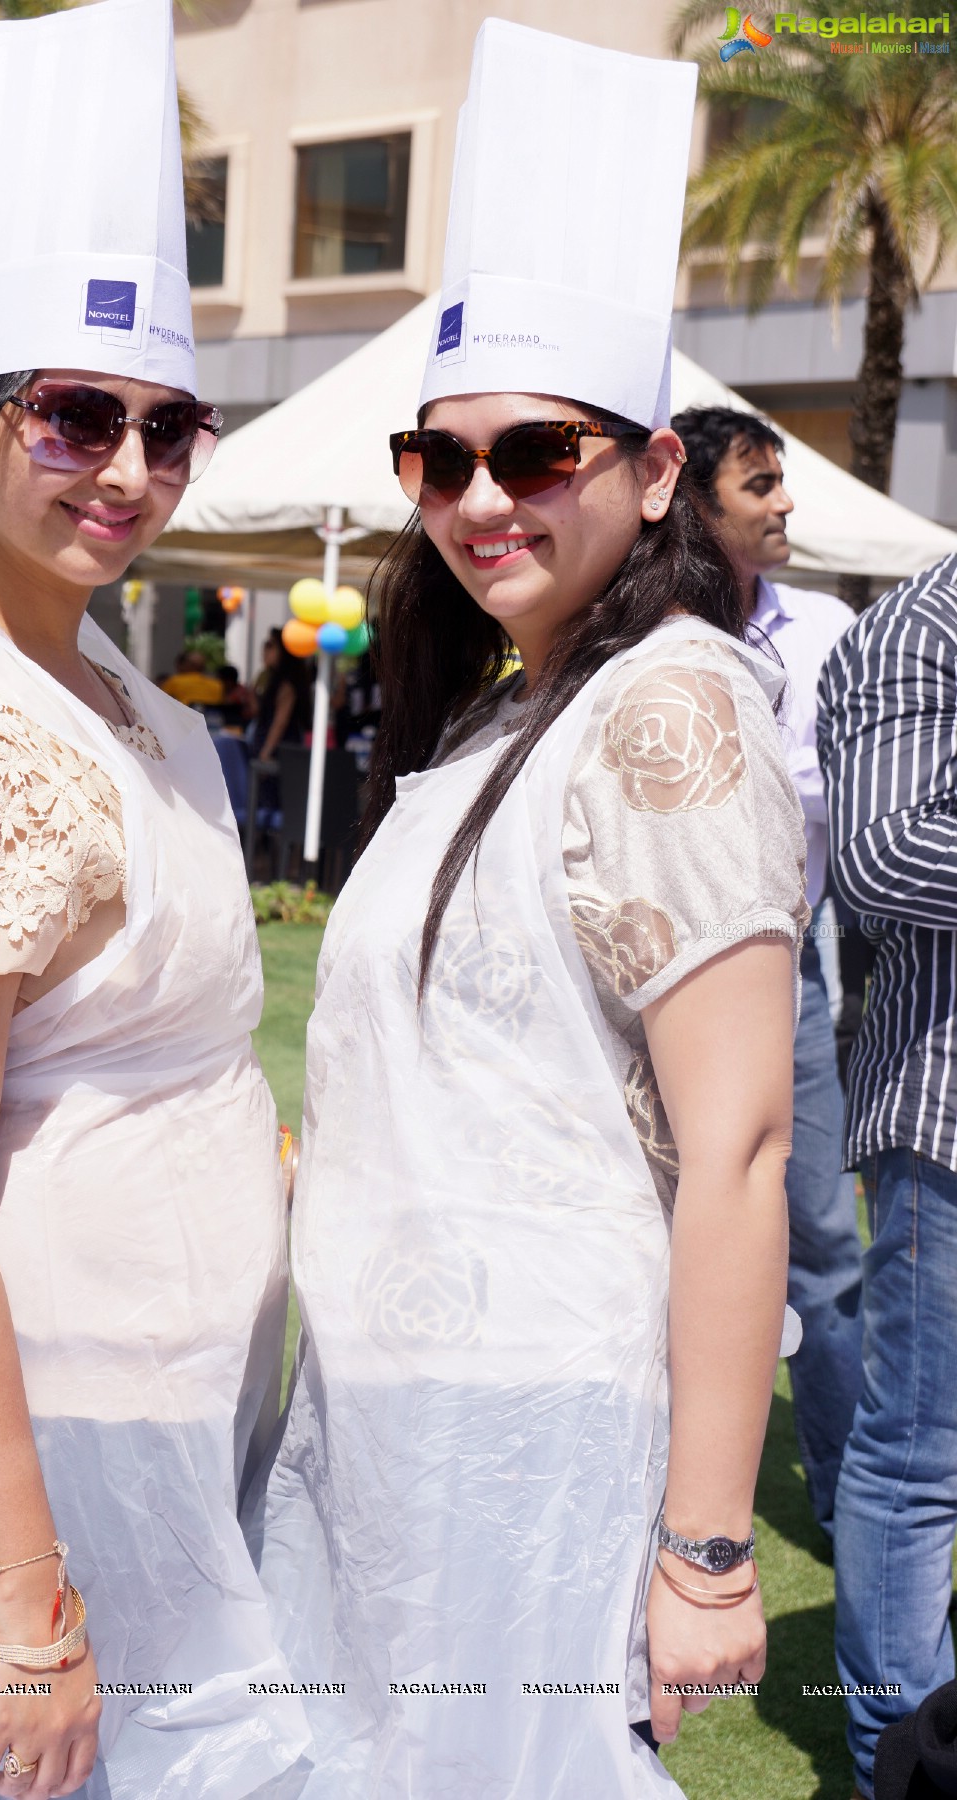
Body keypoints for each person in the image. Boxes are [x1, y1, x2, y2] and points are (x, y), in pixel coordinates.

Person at [244, 23, 806, 1797]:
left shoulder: (674, 700)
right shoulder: (519, 694)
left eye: (537, 452)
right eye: (443, 459)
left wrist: (710, 1548)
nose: (484, 499)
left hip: (536, 1440)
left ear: (651, 469)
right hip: (400, 1425)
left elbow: (739, 1148)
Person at [0, 3, 309, 1796]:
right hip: (35, 1442)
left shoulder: (117, 689)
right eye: (79, 415)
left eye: (174, 424)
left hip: (160, 1420)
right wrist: (26, 1605)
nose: (131, 468)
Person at [672, 404, 863, 1538]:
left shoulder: (831, 634)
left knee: (826, 1247)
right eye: (759, 486)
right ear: (696, 502)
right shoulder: (640, 632)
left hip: (786, 980)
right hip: (648, 988)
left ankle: (843, 1499)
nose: (786, 502)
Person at [818, 547, 957, 1800]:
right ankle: (900, 1769)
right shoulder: (922, 623)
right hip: (949, 1124)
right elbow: (886, 854)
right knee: (921, 1461)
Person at [160, 647, 224, 708]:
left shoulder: (174, 681)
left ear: (188, 664)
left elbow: (160, 701)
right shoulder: (217, 684)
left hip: (183, 717)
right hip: (208, 718)